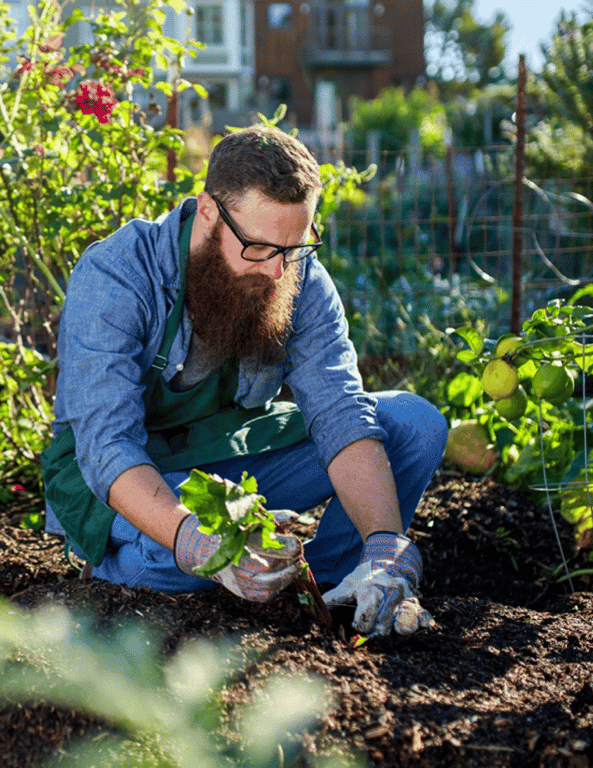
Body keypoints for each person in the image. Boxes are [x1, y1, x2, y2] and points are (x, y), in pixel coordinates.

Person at [40, 125, 448, 637]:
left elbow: (340, 411)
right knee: (181, 557)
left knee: (414, 423)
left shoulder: (296, 274)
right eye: (259, 247)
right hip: (123, 477)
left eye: (294, 247)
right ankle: (118, 574)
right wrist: (194, 539)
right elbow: (107, 448)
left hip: (226, 457)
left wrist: (386, 547)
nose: (278, 271)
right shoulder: (118, 276)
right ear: (208, 212)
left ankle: (330, 588)